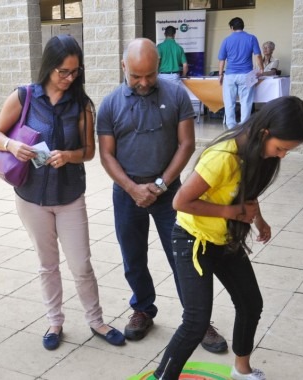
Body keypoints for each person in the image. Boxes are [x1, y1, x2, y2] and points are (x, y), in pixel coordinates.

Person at [152, 96, 303, 380]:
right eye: (281, 148)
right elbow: (179, 201)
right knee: (196, 321)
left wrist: (258, 219)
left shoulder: (257, 153)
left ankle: (241, 370)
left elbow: (246, 191)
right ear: (265, 132)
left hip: (225, 240)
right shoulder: (223, 156)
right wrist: (232, 212)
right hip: (193, 240)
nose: (282, 155)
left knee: (251, 303)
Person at [0, 34, 126, 351]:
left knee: (81, 264)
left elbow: (89, 152)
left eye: (75, 71)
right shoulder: (24, 97)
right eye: (62, 71)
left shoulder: (81, 105)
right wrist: (12, 144)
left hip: (69, 196)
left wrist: (68, 155)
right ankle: (54, 321)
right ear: (48, 67)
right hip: (32, 197)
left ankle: (96, 321)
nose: (69, 78)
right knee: (47, 264)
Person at [97, 38, 227, 353]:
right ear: (123, 66)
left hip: (171, 195)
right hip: (128, 194)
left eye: (150, 75)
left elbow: (186, 144)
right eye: (136, 76)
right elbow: (106, 155)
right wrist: (132, 188)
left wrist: (161, 184)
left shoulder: (176, 94)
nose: (143, 83)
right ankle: (142, 309)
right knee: (133, 257)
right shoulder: (110, 104)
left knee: (186, 258)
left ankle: (198, 321)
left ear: (158, 68)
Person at [218, 17, 264, 129]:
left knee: (229, 102)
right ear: (243, 26)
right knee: (246, 101)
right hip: (247, 74)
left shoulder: (226, 40)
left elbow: (222, 59)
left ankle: (231, 126)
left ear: (232, 28)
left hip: (230, 75)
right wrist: (261, 69)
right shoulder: (251, 38)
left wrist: (220, 74)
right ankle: (244, 126)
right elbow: (257, 55)